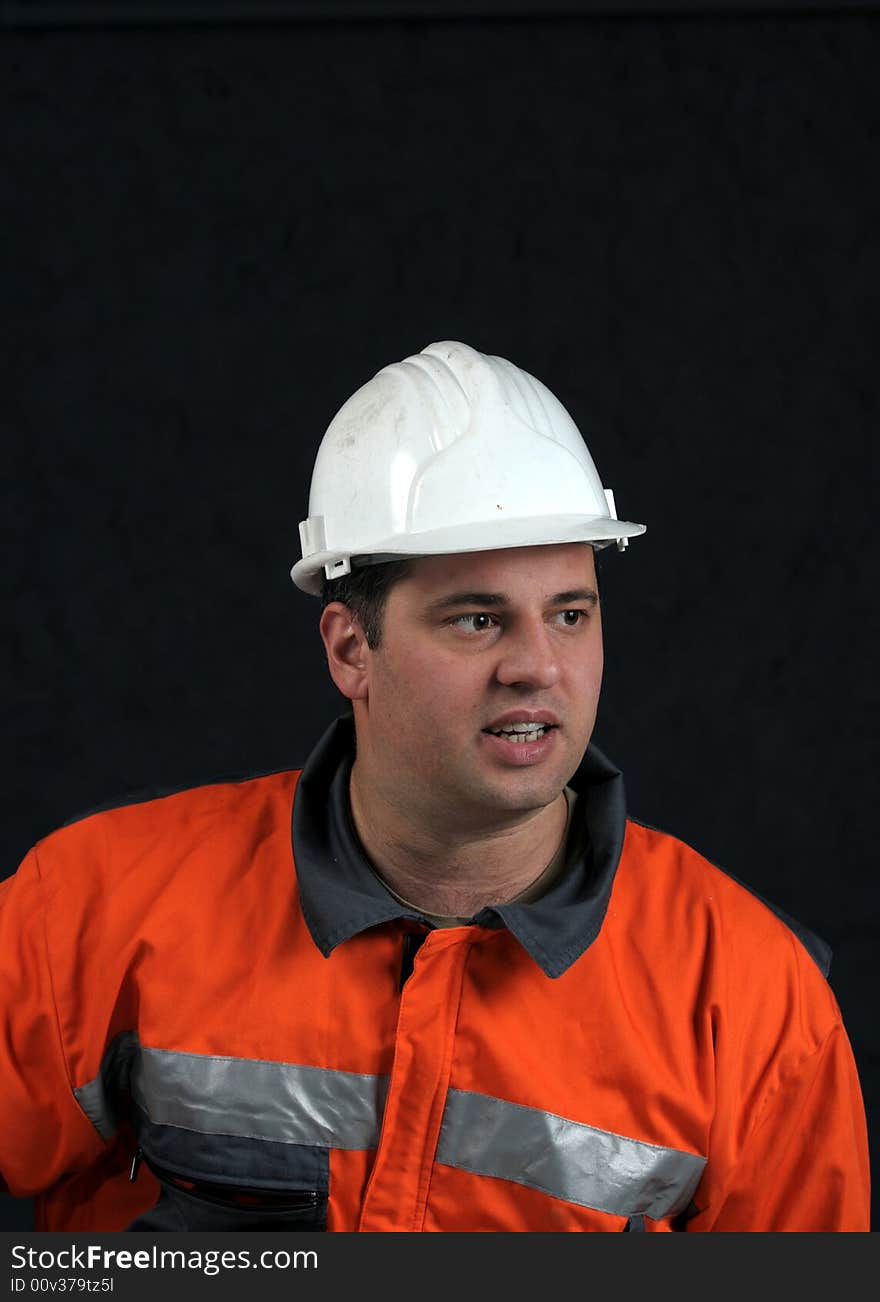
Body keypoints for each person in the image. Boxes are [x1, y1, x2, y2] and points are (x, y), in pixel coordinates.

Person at [0, 340, 870, 1233]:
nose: (537, 668)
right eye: (478, 619)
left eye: (571, 614)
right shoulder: (92, 908)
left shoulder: (754, 1004)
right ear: (350, 649)